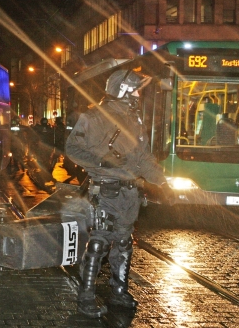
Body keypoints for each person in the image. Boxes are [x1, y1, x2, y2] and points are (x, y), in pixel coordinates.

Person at [65, 69, 175, 318]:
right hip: (106, 191)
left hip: (129, 194)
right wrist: (102, 164)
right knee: (99, 242)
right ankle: (85, 297)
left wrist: (162, 182)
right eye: (136, 89)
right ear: (123, 89)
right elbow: (73, 148)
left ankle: (119, 291)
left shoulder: (134, 119)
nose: (138, 94)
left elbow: (144, 158)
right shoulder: (94, 117)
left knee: (124, 243)